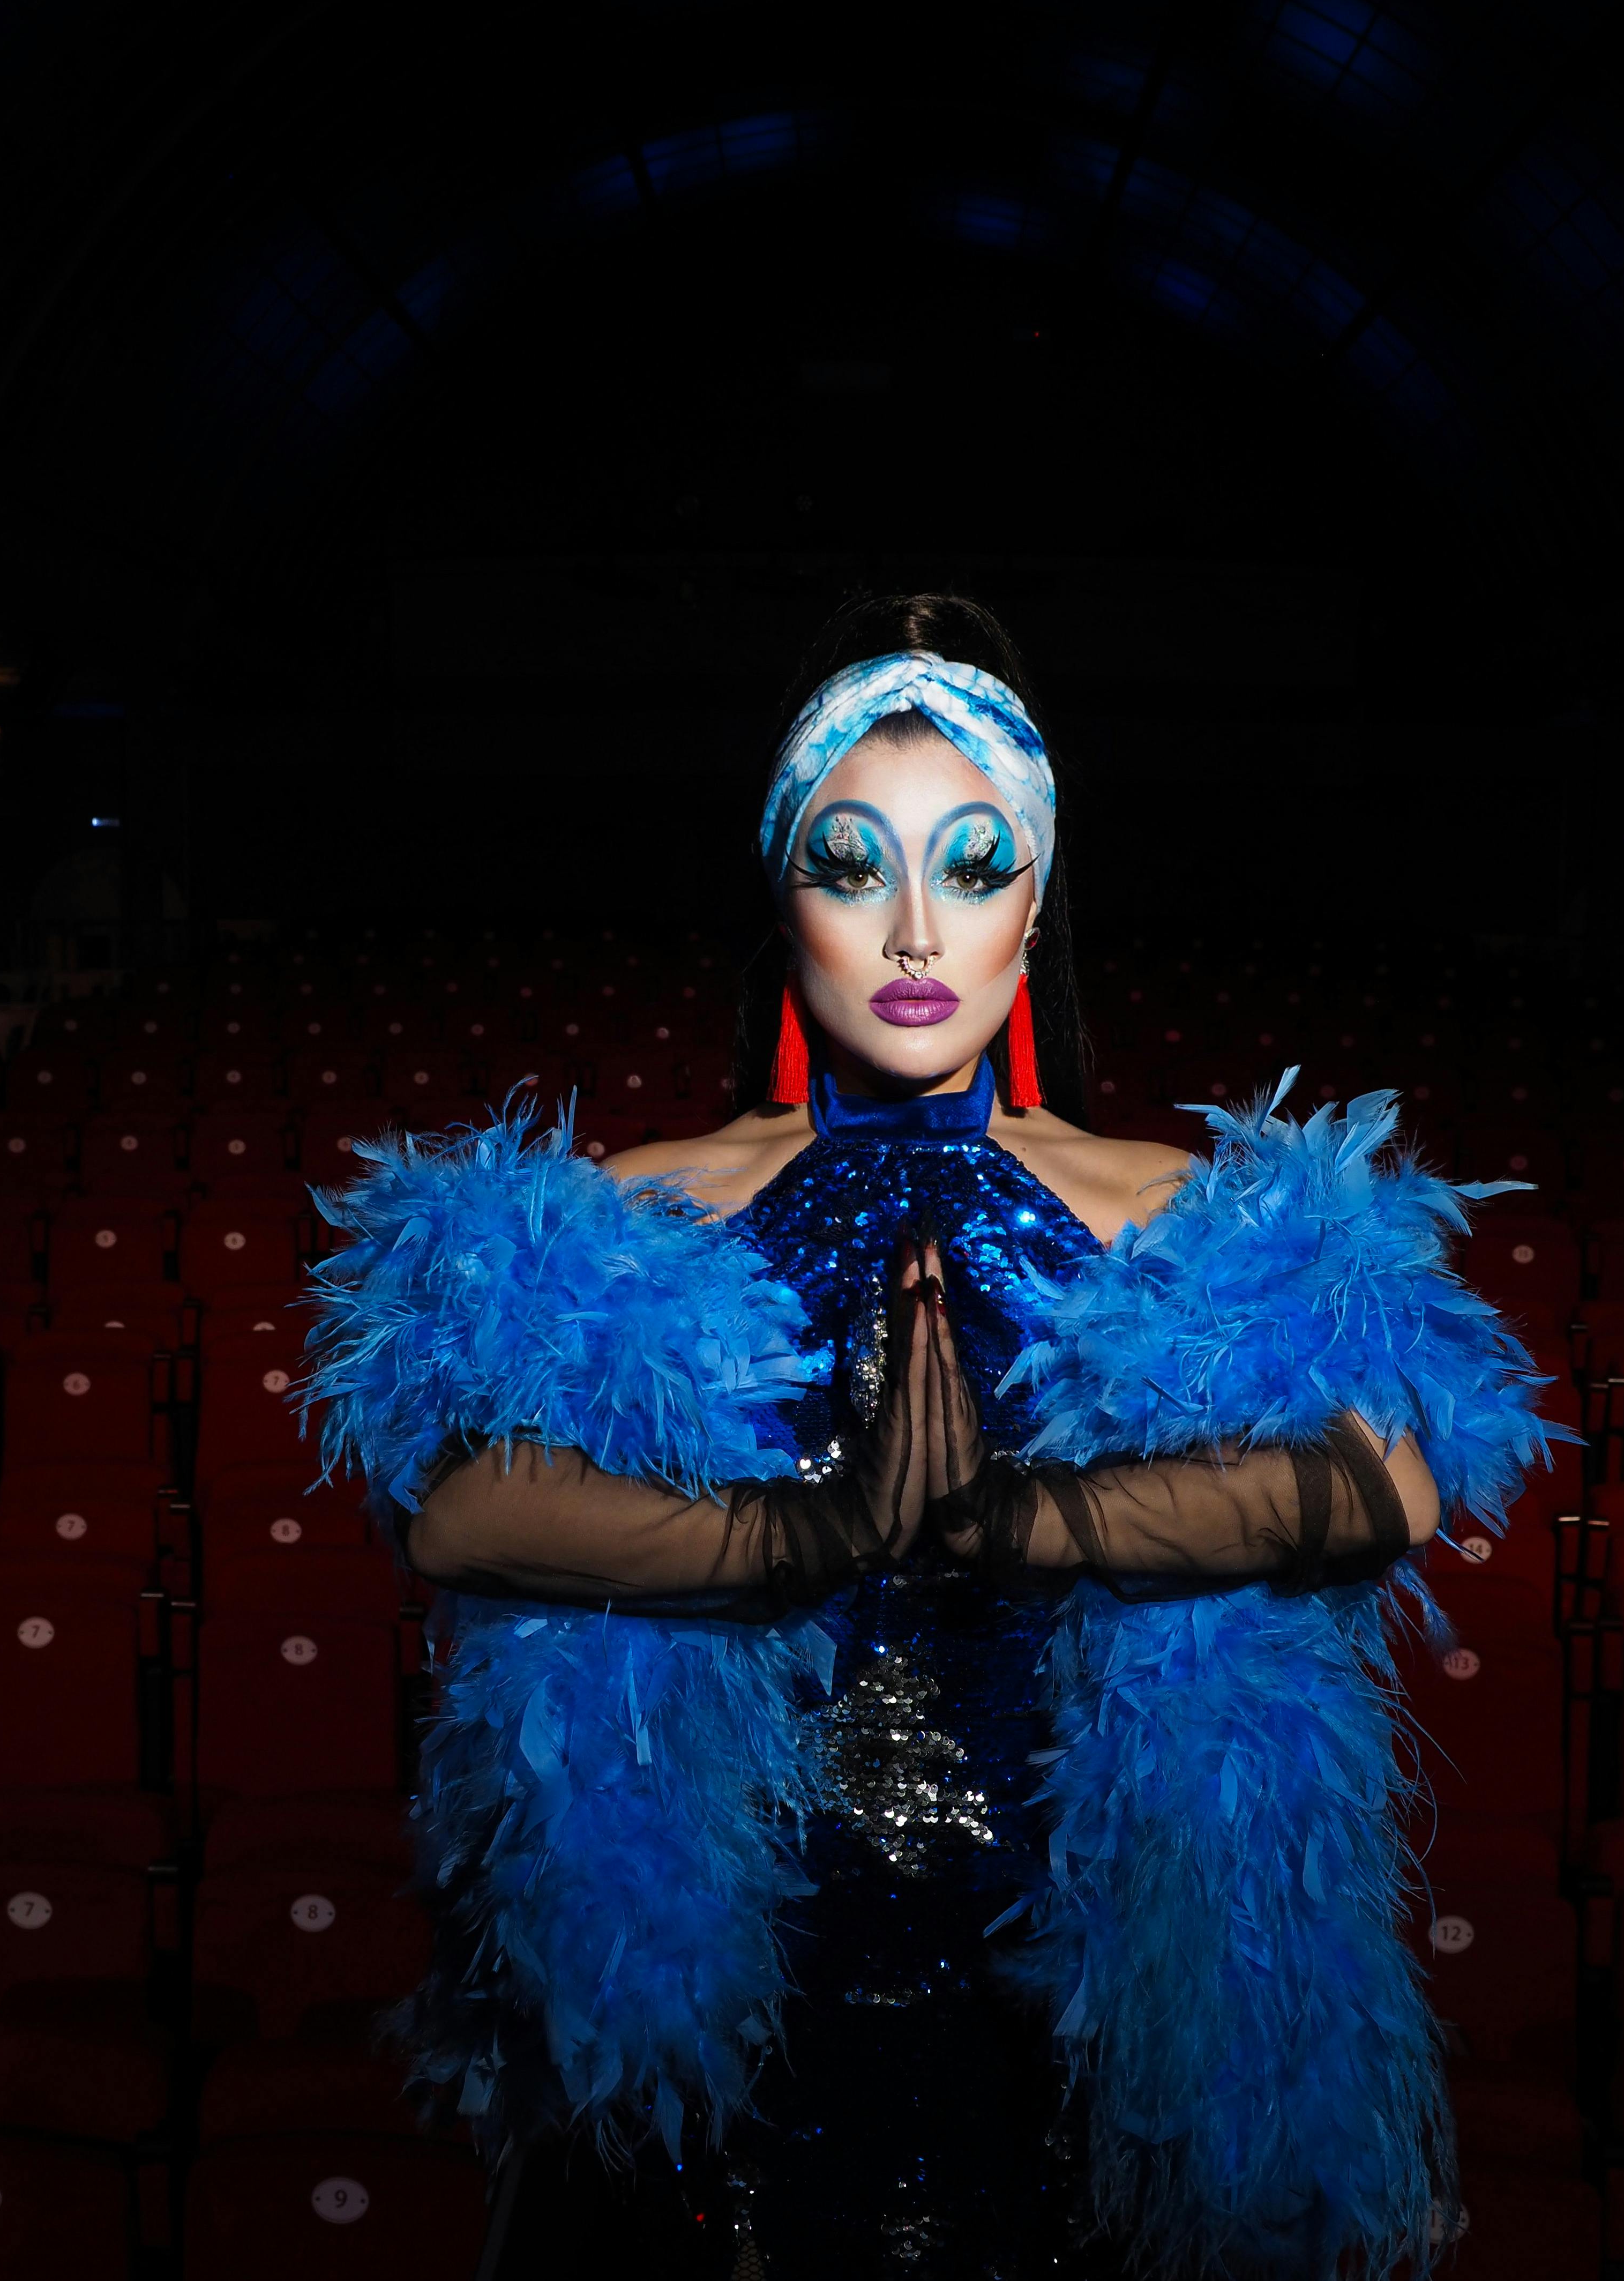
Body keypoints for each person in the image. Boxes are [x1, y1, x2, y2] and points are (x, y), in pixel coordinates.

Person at [305, 594, 1556, 2280]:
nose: (911, 930)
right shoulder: (631, 1205)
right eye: (850, 867)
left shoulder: (1175, 1208)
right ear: (782, 895)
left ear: (1034, 904)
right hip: (723, 1960)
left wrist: (1020, 1523)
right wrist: (790, 1542)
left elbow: (1389, 1482)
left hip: (1078, 1972)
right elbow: (450, 1511)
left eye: (972, 866)